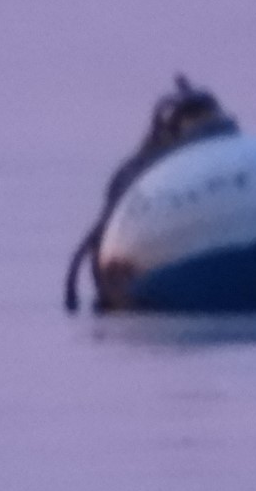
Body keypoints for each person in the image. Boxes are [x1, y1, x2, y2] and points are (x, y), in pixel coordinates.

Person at [64, 74, 240, 312]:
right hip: (139, 283)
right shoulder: (142, 171)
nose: (204, 124)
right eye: (194, 117)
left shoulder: (239, 155)